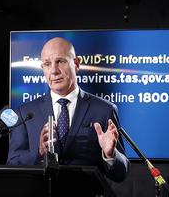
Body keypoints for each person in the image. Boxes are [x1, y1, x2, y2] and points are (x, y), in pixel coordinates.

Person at [7, 37, 129, 182]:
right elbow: (13, 165)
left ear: (76, 64)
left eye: (61, 61)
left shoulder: (104, 110)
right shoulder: (25, 113)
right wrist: (38, 153)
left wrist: (110, 155)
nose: (54, 70)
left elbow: (121, 174)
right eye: (47, 64)